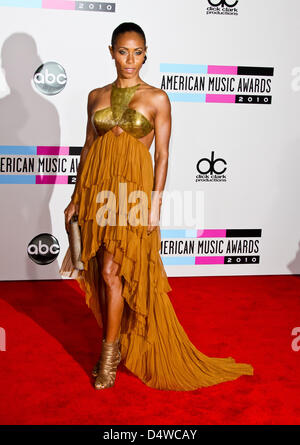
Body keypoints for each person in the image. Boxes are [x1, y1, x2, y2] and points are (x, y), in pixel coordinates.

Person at [60, 22, 254, 391]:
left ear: (146, 53)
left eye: (137, 52)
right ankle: (113, 347)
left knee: (114, 271)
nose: (130, 59)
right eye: (122, 51)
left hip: (133, 195)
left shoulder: (157, 98)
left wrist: (155, 203)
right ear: (111, 51)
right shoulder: (95, 96)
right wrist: (74, 197)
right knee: (104, 271)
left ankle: (108, 356)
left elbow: (162, 155)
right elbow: (88, 146)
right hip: (98, 191)